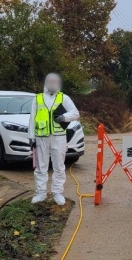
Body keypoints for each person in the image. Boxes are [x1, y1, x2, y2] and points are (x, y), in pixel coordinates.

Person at [28, 73, 80, 205]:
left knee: (59, 166)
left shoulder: (63, 98)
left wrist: (63, 117)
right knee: (41, 167)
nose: (52, 83)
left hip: (58, 137)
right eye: (49, 81)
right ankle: (40, 193)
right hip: (41, 137)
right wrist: (31, 137)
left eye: (54, 81)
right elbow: (32, 119)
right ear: (46, 82)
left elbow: (75, 113)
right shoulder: (38, 98)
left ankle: (58, 193)